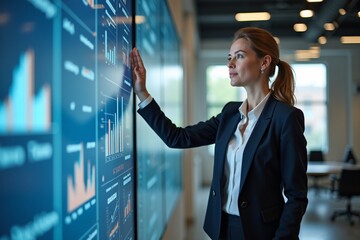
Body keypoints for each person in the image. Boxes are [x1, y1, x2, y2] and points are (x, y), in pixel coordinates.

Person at [130, 27, 308, 240]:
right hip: (222, 229)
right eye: (229, 57)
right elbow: (176, 137)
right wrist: (142, 93)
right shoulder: (230, 114)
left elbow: (297, 196)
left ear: (264, 62)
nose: (230, 64)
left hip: (262, 233)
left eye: (239, 56)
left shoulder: (285, 118)